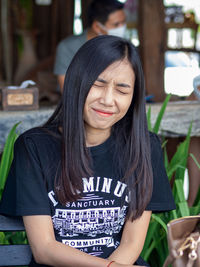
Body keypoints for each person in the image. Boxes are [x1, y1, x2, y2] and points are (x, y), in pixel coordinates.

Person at [0, 36, 175, 267]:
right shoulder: (34, 148)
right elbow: (45, 249)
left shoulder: (144, 147)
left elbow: (131, 243)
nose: (108, 99)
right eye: (98, 85)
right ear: (76, 83)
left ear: (133, 97)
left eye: (122, 90)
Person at [54, 0, 127, 91]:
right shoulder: (68, 48)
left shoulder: (124, 47)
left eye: (124, 22)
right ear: (97, 26)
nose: (122, 27)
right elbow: (66, 89)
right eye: (116, 24)